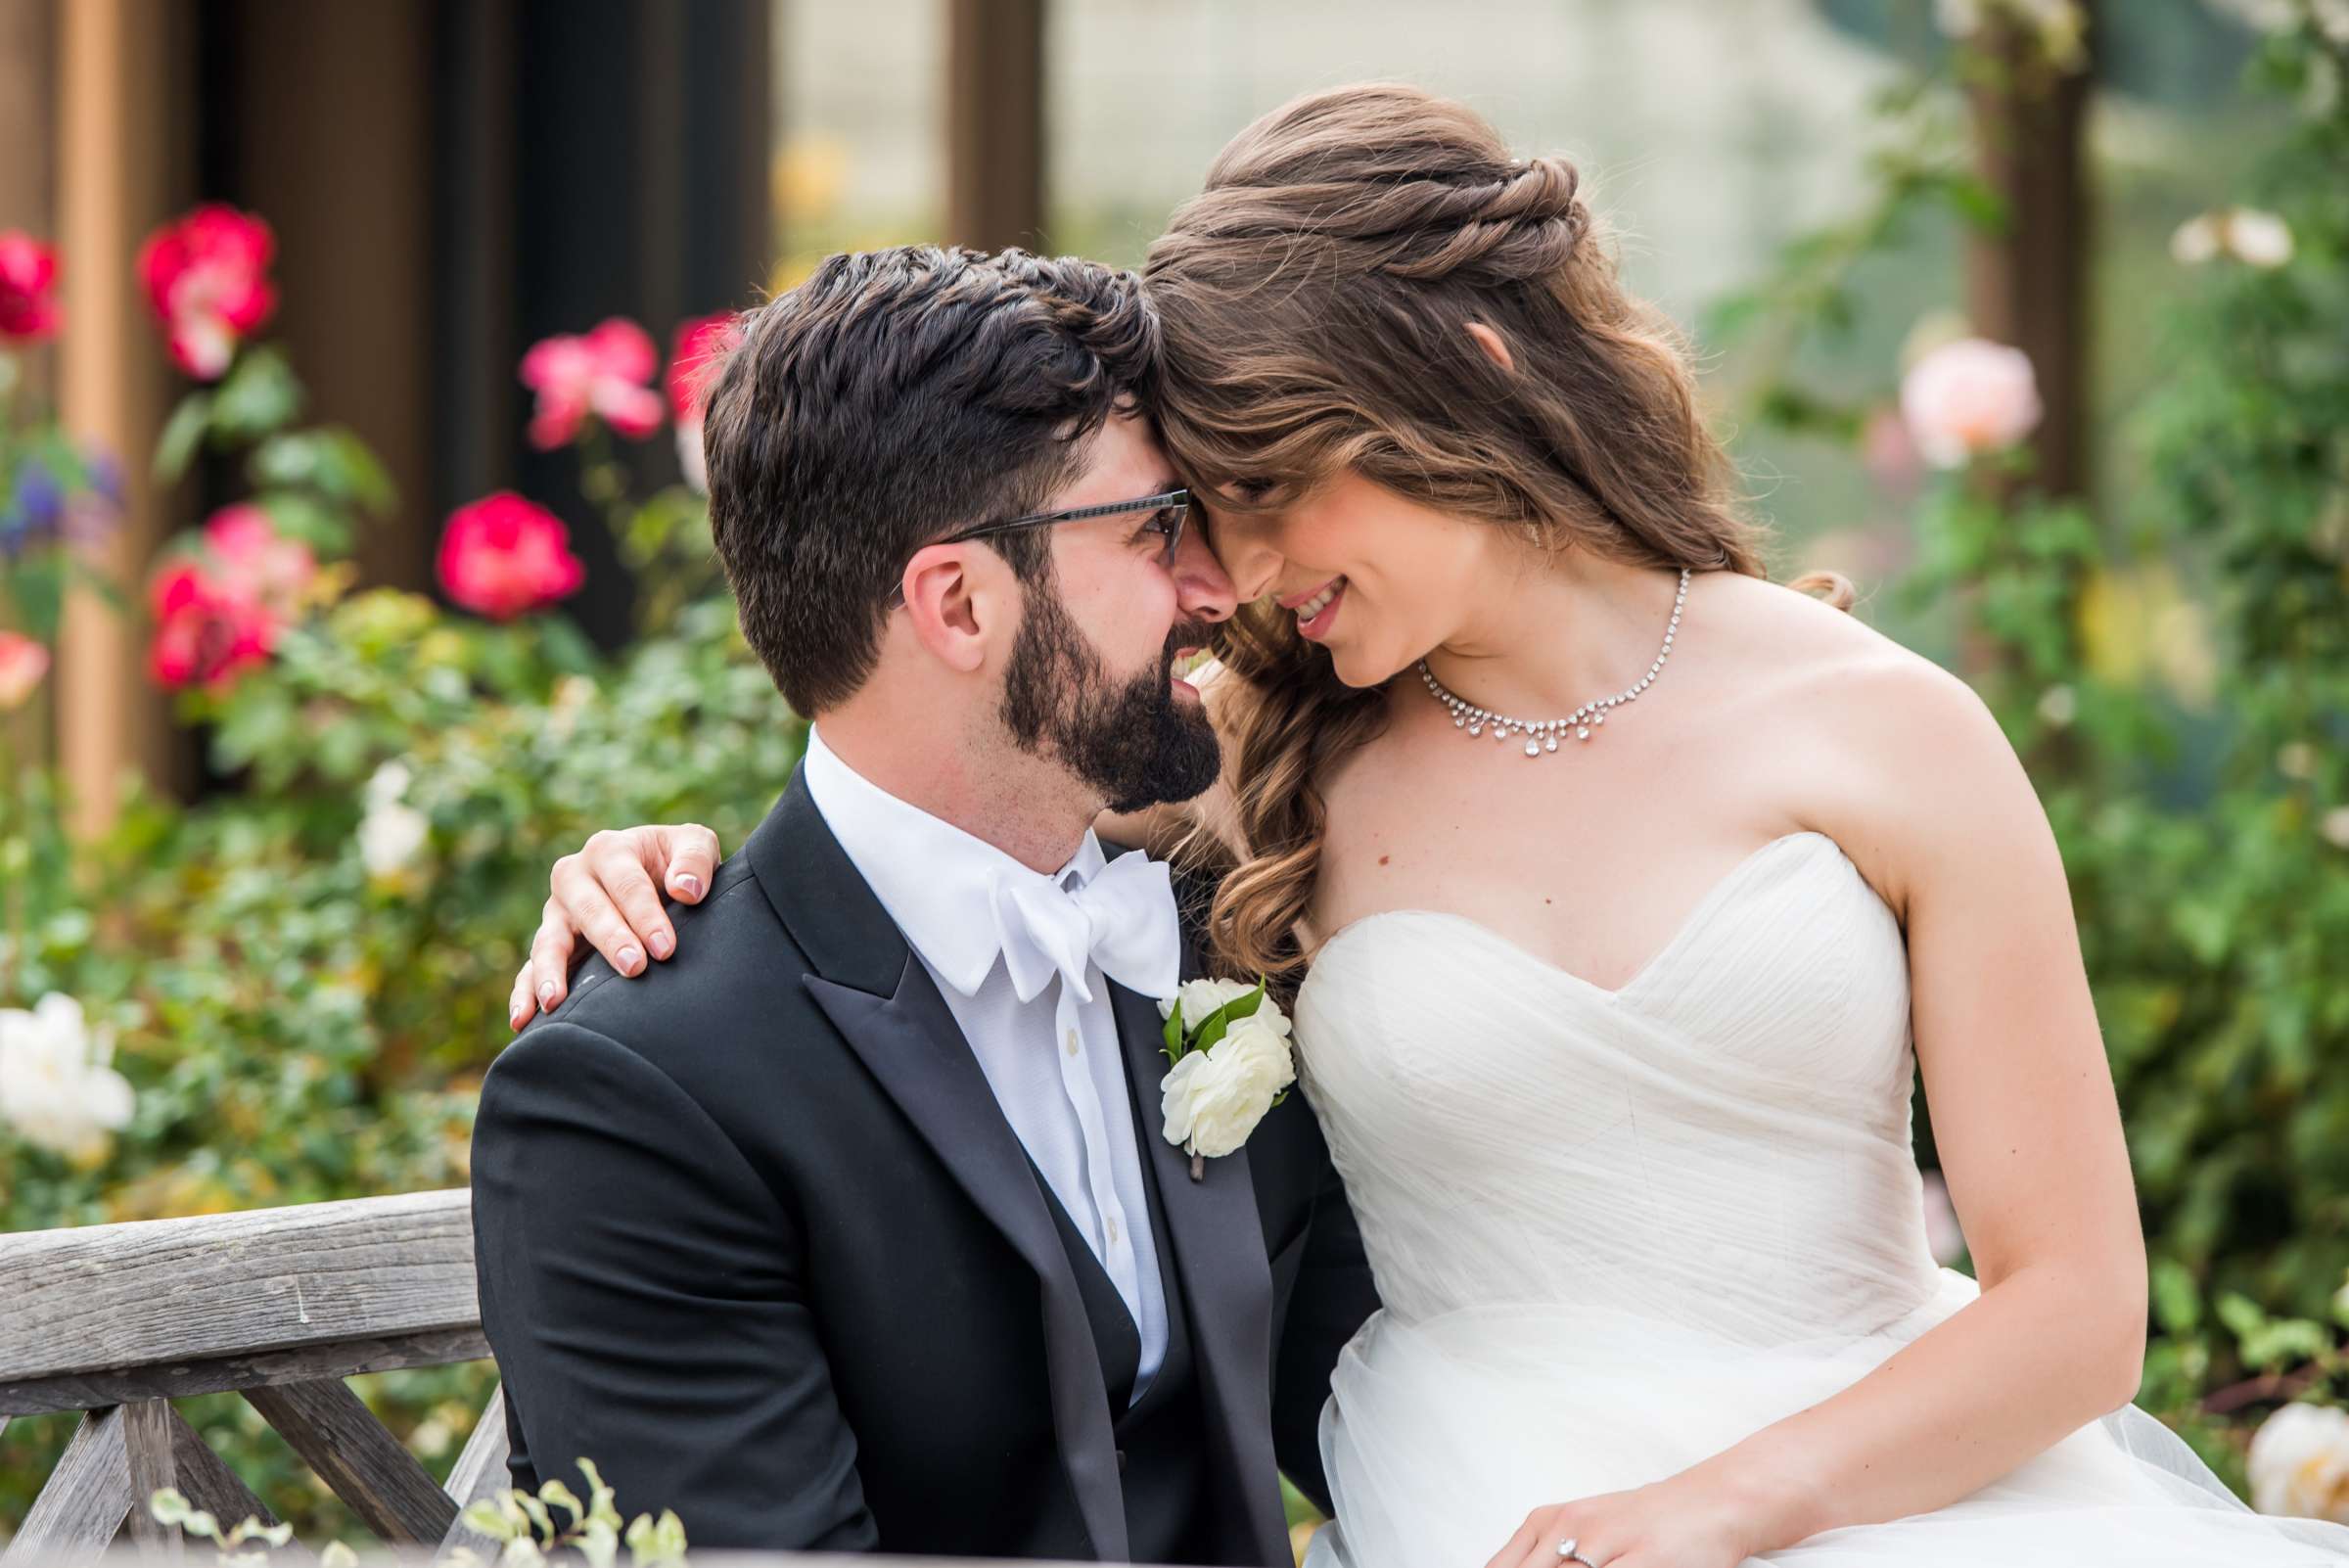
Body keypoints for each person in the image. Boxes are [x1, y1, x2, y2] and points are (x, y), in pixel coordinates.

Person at [514, 84, 2349, 1568]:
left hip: (1882, 1478)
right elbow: (933, 806)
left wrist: (1738, 1502)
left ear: (1449, 376)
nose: (1226, 573)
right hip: (1493, 1489)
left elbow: (2082, 1305)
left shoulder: (1897, 733)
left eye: (1256, 493)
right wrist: (650, 868)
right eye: (1183, 519)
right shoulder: (1254, 763)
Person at [470, 243, 1379, 1564]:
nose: (1214, 588)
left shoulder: (1214, 925)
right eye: (1155, 529)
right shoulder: (635, 1102)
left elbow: (1382, 1377)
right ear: (958, 602)